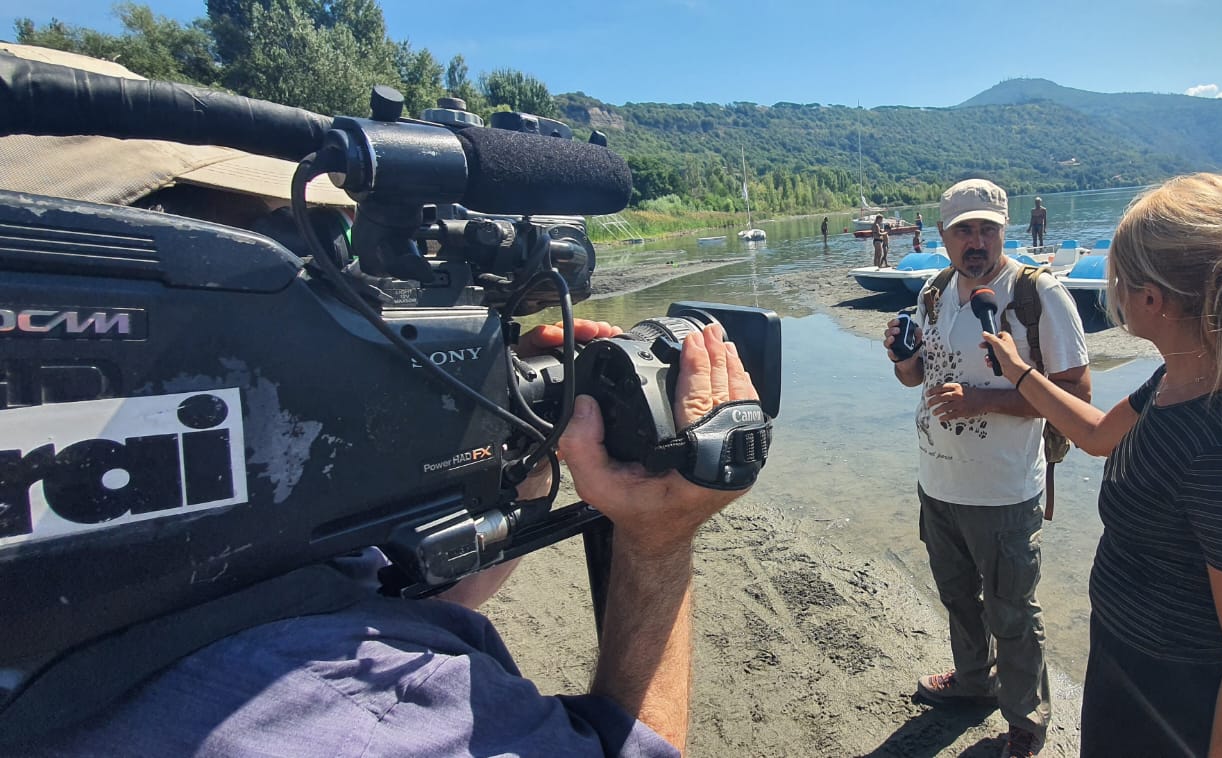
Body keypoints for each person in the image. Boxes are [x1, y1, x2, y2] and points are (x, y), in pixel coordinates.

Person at [18, 319, 761, 757]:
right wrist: (655, 543)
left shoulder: (161, 549)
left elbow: (397, 595)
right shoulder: (356, 710)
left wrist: (515, 440)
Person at [981, 172, 1222, 758]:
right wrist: (1018, 372)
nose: (1113, 296)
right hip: (1123, 671)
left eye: (1116, 284)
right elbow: (1095, 434)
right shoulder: (1184, 375)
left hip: (1174, 708)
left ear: (1151, 300)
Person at [882, 178, 1091, 757]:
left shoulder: (1038, 295)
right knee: (957, 597)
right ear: (944, 235)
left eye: (987, 229)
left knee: (1014, 613)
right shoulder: (932, 291)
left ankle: (1026, 723)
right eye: (964, 230)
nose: (976, 242)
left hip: (1003, 492)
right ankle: (975, 682)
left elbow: (1077, 394)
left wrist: (985, 401)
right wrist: (901, 357)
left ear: (1006, 230)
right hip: (937, 483)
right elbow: (914, 379)